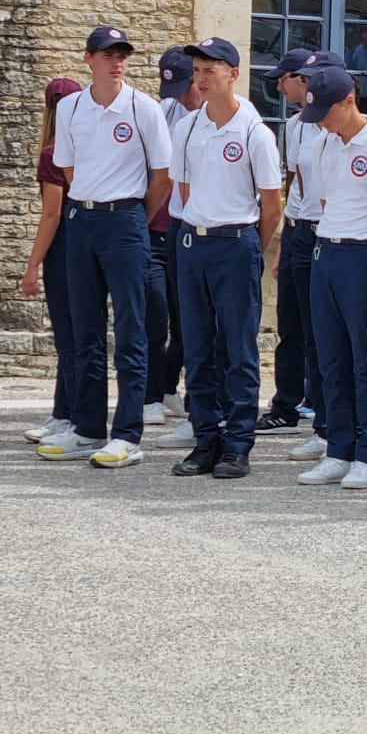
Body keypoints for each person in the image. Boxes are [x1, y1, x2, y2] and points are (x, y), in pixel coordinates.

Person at [40, 25, 172, 467]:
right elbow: (68, 168)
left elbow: (162, 175)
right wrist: (91, 201)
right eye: (108, 54)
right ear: (88, 59)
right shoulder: (71, 107)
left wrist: (132, 215)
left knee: (132, 329)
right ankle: (87, 427)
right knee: (85, 329)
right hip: (83, 218)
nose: (117, 62)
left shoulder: (143, 107)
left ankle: (128, 434)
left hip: (126, 217)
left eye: (122, 55)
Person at [167, 36, 283, 480]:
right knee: (197, 347)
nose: (201, 78)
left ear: (233, 75)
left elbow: (271, 206)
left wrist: (248, 245)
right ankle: (205, 439)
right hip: (194, 241)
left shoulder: (254, 133)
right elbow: (185, 190)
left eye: (210, 70)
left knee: (237, 349)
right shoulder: (187, 128)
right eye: (197, 71)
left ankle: (237, 443)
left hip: (236, 242)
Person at [294, 64, 367, 489]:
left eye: (327, 112)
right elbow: (328, 201)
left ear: (349, 101)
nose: (321, 121)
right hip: (327, 249)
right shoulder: (323, 143)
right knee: (330, 359)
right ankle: (338, 449)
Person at [272, 47, 332, 456]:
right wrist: (285, 237)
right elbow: (293, 183)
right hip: (298, 229)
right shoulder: (295, 126)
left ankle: (324, 420)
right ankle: (285, 404)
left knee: (319, 332)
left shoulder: (338, 129)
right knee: (289, 324)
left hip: (325, 232)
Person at [18, 77, 83, 445]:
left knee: (68, 337)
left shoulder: (53, 154)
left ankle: (68, 414)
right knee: (81, 334)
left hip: (64, 249)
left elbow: (51, 213)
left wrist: (32, 265)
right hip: (91, 244)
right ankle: (65, 411)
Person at [146, 46, 200, 447]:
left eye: (186, 88)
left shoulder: (216, 118)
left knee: (187, 321)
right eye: (173, 91)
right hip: (155, 228)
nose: (181, 98)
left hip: (187, 227)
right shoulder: (163, 112)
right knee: (154, 313)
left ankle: (169, 387)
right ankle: (150, 395)